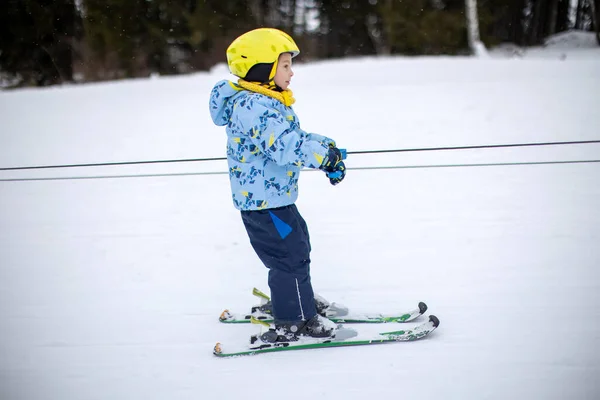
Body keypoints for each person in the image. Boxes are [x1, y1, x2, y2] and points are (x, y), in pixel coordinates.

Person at [209, 28, 346, 342]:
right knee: (289, 256)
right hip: (265, 205)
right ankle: (294, 317)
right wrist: (324, 159)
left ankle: (297, 298)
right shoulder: (253, 108)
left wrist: (329, 150)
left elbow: (295, 139)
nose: (292, 72)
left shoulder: (266, 103)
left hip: (274, 200)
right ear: (262, 69)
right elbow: (286, 147)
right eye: (285, 65)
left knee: (298, 246)